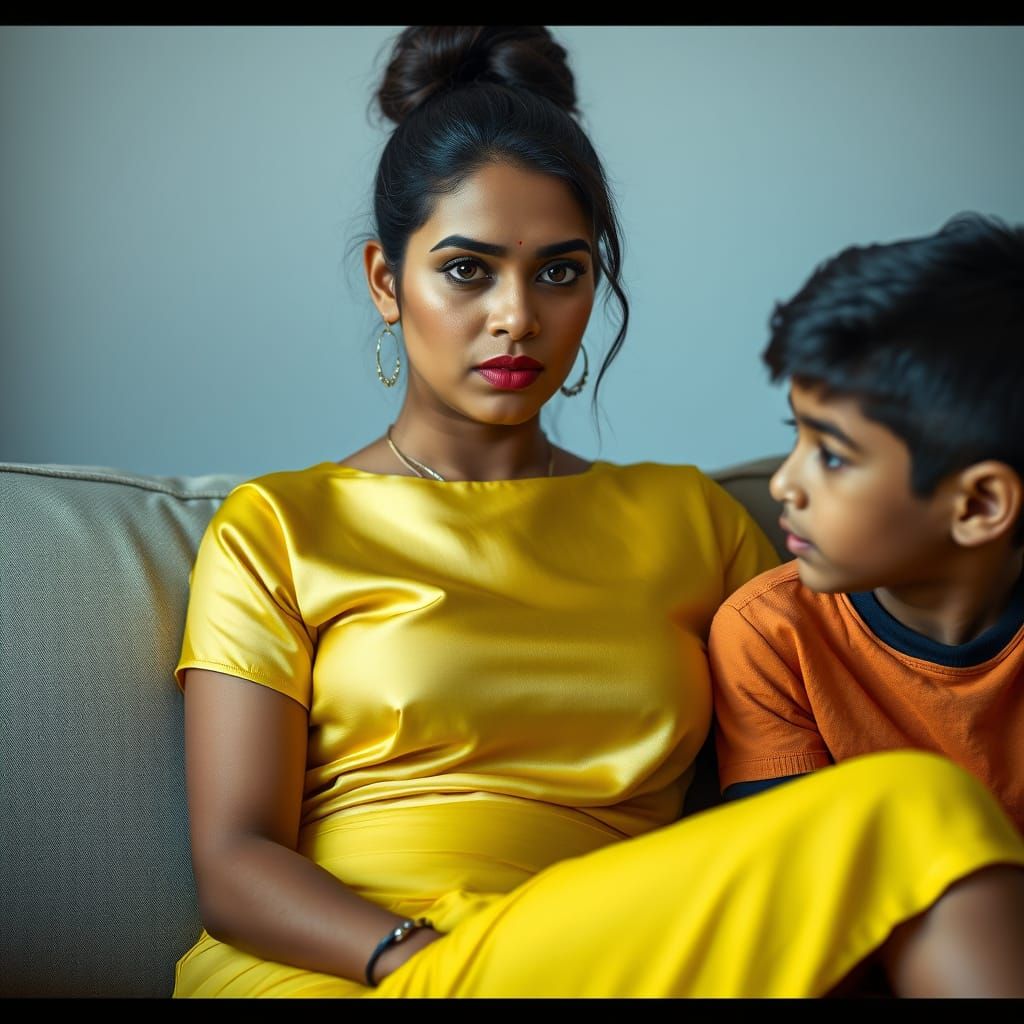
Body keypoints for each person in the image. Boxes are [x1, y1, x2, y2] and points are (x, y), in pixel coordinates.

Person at [173, 28, 1024, 998]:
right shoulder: (279, 526)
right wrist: (425, 961)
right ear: (384, 279)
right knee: (912, 807)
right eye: (466, 269)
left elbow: (857, 694)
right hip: (352, 966)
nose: (515, 316)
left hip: (615, 961)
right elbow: (235, 862)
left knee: (918, 809)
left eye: (559, 270)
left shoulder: (688, 520)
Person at [709, 213, 1024, 835]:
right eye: (793, 436)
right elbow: (799, 878)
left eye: (831, 455)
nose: (783, 484)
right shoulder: (772, 636)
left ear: (979, 506)